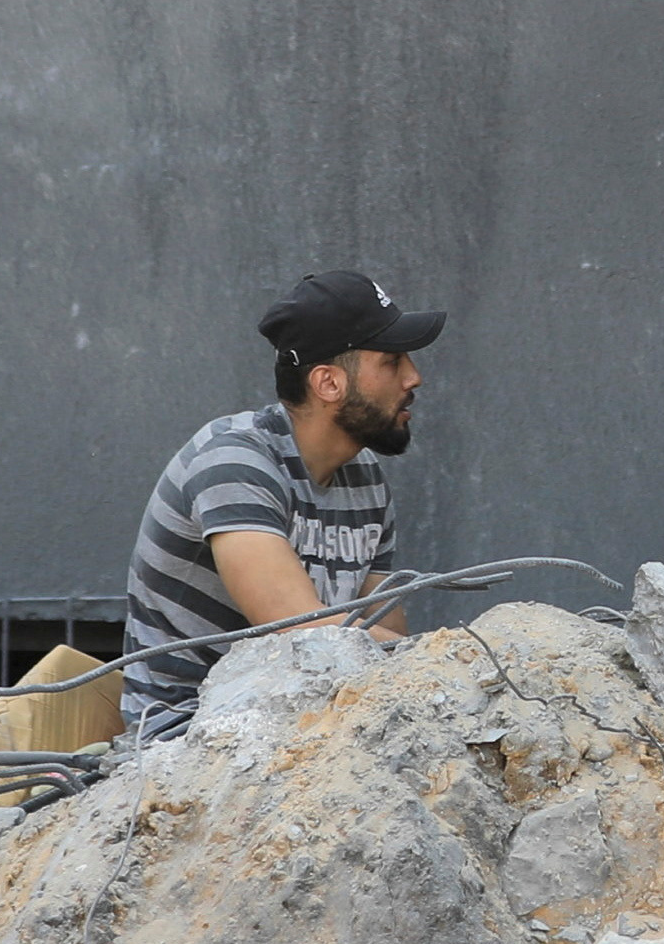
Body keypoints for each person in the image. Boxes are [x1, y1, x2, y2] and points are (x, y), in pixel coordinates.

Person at [121, 273, 441, 746]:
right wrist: (447, 659)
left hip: (307, 719)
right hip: (190, 736)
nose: (413, 377)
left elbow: (386, 638)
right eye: (392, 361)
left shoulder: (364, 477)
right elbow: (297, 627)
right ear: (328, 382)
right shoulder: (233, 460)